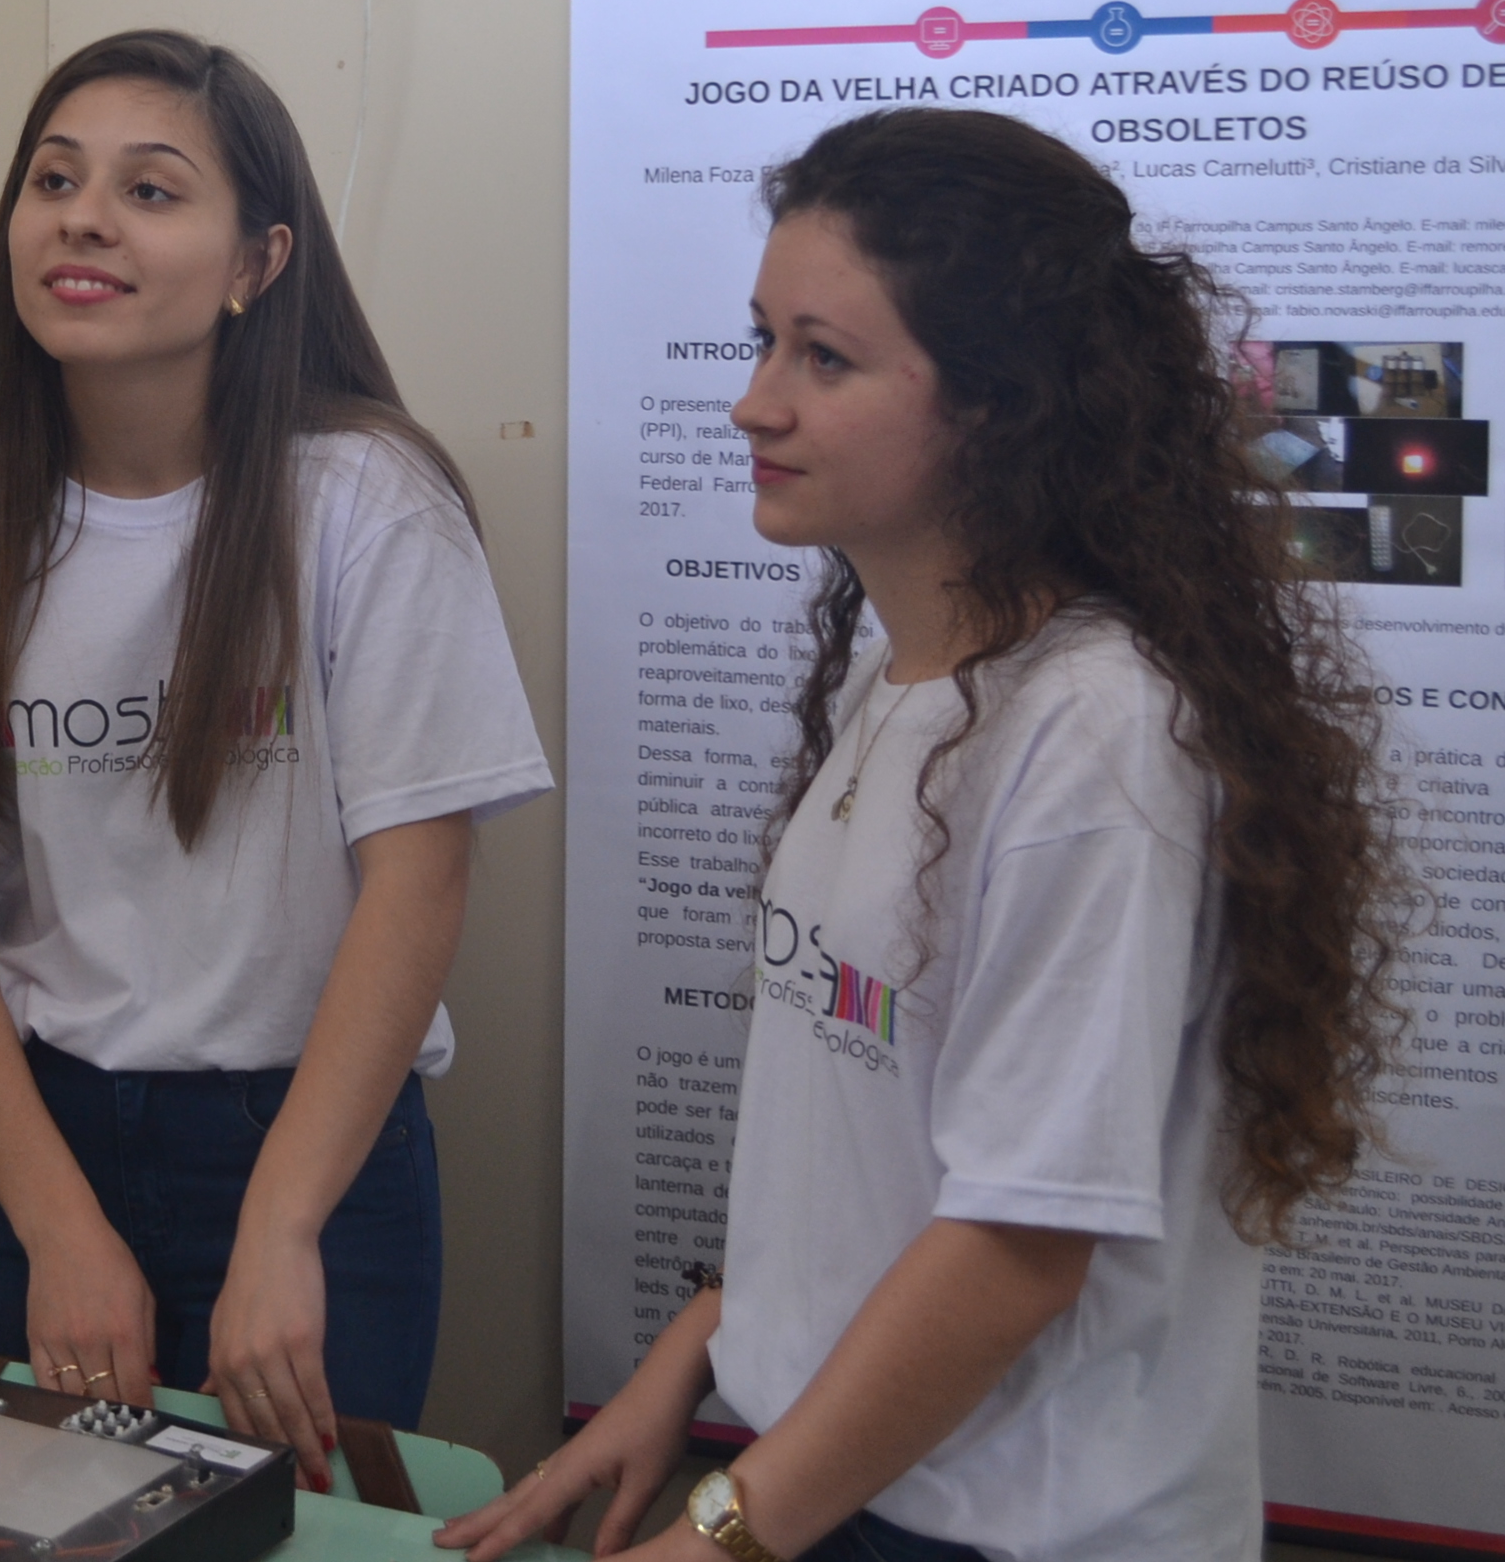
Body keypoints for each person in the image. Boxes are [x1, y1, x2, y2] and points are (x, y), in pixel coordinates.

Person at [439, 108, 1403, 1562]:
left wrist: (720, 1533)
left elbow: (1016, 1248)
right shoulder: (903, 681)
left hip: (1014, 1529)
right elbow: (875, 1158)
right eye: (764, 342)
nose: (754, 404)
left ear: (999, 404)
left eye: (823, 358)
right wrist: (693, 1358)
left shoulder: (1096, 735)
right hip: (849, 1483)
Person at [0, 30, 552, 1468]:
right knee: (43, 1527)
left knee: (307, 1536)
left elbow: (419, 884)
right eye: (53, 181)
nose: (83, 219)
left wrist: (283, 1226)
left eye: (149, 191)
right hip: (40, 1146)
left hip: (312, 1146)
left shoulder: (369, 502)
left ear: (257, 264)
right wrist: (56, 1226)